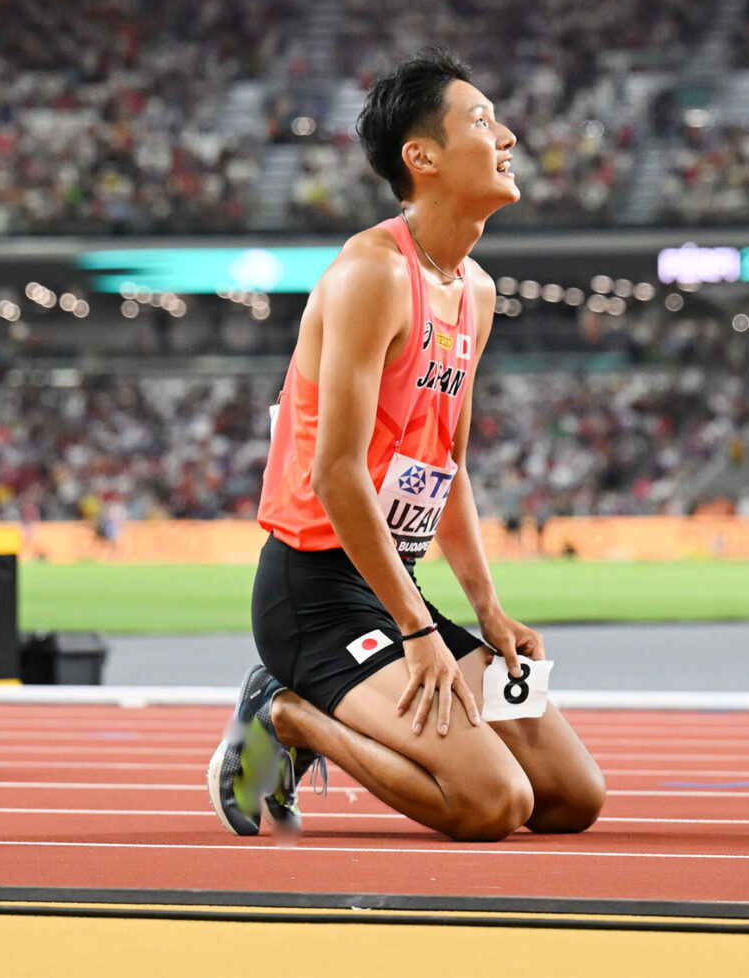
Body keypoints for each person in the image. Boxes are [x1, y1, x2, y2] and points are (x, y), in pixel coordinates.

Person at [209, 48, 606, 841]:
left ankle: (362, 681)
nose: (510, 138)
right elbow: (336, 474)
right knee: (492, 804)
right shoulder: (372, 274)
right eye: (484, 121)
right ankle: (287, 715)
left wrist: (487, 610)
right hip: (317, 598)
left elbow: (444, 467)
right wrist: (421, 635)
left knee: (570, 796)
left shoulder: (478, 293)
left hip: (398, 594)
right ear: (420, 157)